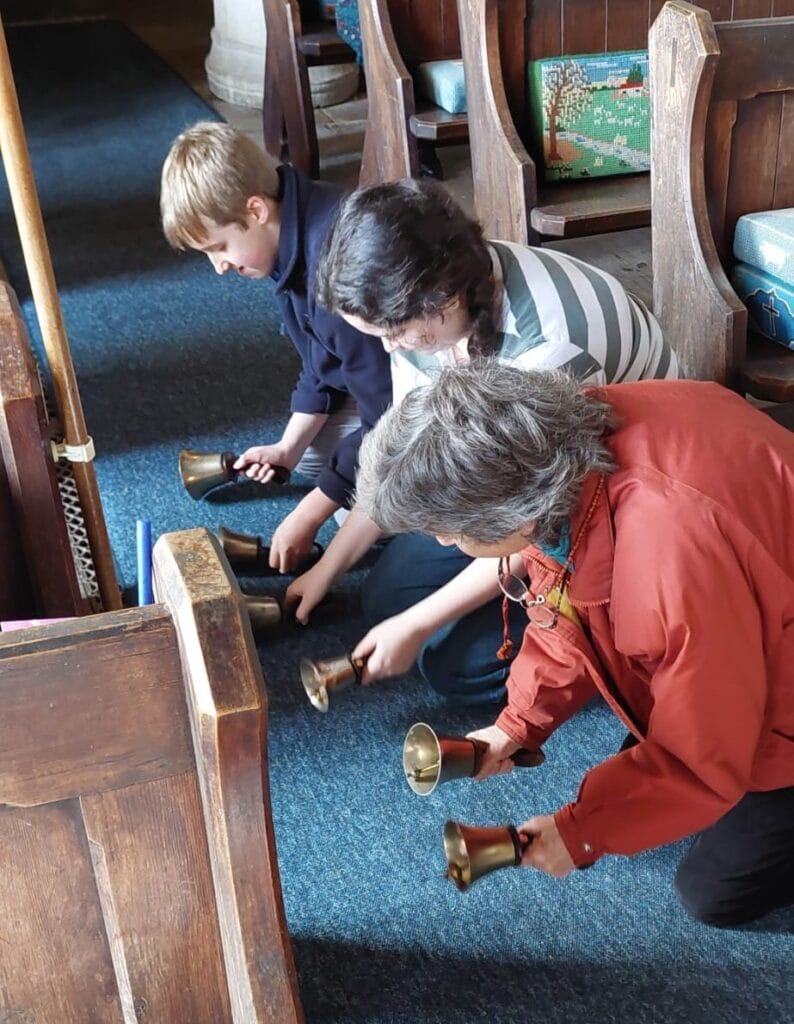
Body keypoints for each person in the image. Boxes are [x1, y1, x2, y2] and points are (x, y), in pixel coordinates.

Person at [354, 361, 794, 926]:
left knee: (713, 893)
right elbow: (566, 608)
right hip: (746, 627)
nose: (444, 541)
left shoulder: (670, 552)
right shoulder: (557, 446)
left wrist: (580, 832)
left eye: (451, 530)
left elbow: (703, 748)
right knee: (643, 780)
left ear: (515, 515)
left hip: (761, 671)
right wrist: (519, 723)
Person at [286, 178, 679, 702]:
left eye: (392, 333)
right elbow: (407, 452)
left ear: (442, 300)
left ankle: (599, 649)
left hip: (616, 497)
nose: (388, 347)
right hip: (524, 477)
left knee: (458, 667)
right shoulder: (430, 307)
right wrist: (328, 567)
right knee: (385, 598)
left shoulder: (549, 350)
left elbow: (536, 523)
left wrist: (419, 625)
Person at [160, 122, 392, 571]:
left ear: (256, 210)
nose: (219, 268)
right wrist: (287, 447)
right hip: (390, 386)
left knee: (350, 500)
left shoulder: (336, 271)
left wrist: (310, 513)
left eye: (219, 247)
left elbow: (392, 416)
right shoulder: (291, 233)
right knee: (311, 458)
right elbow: (322, 360)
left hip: (439, 398)